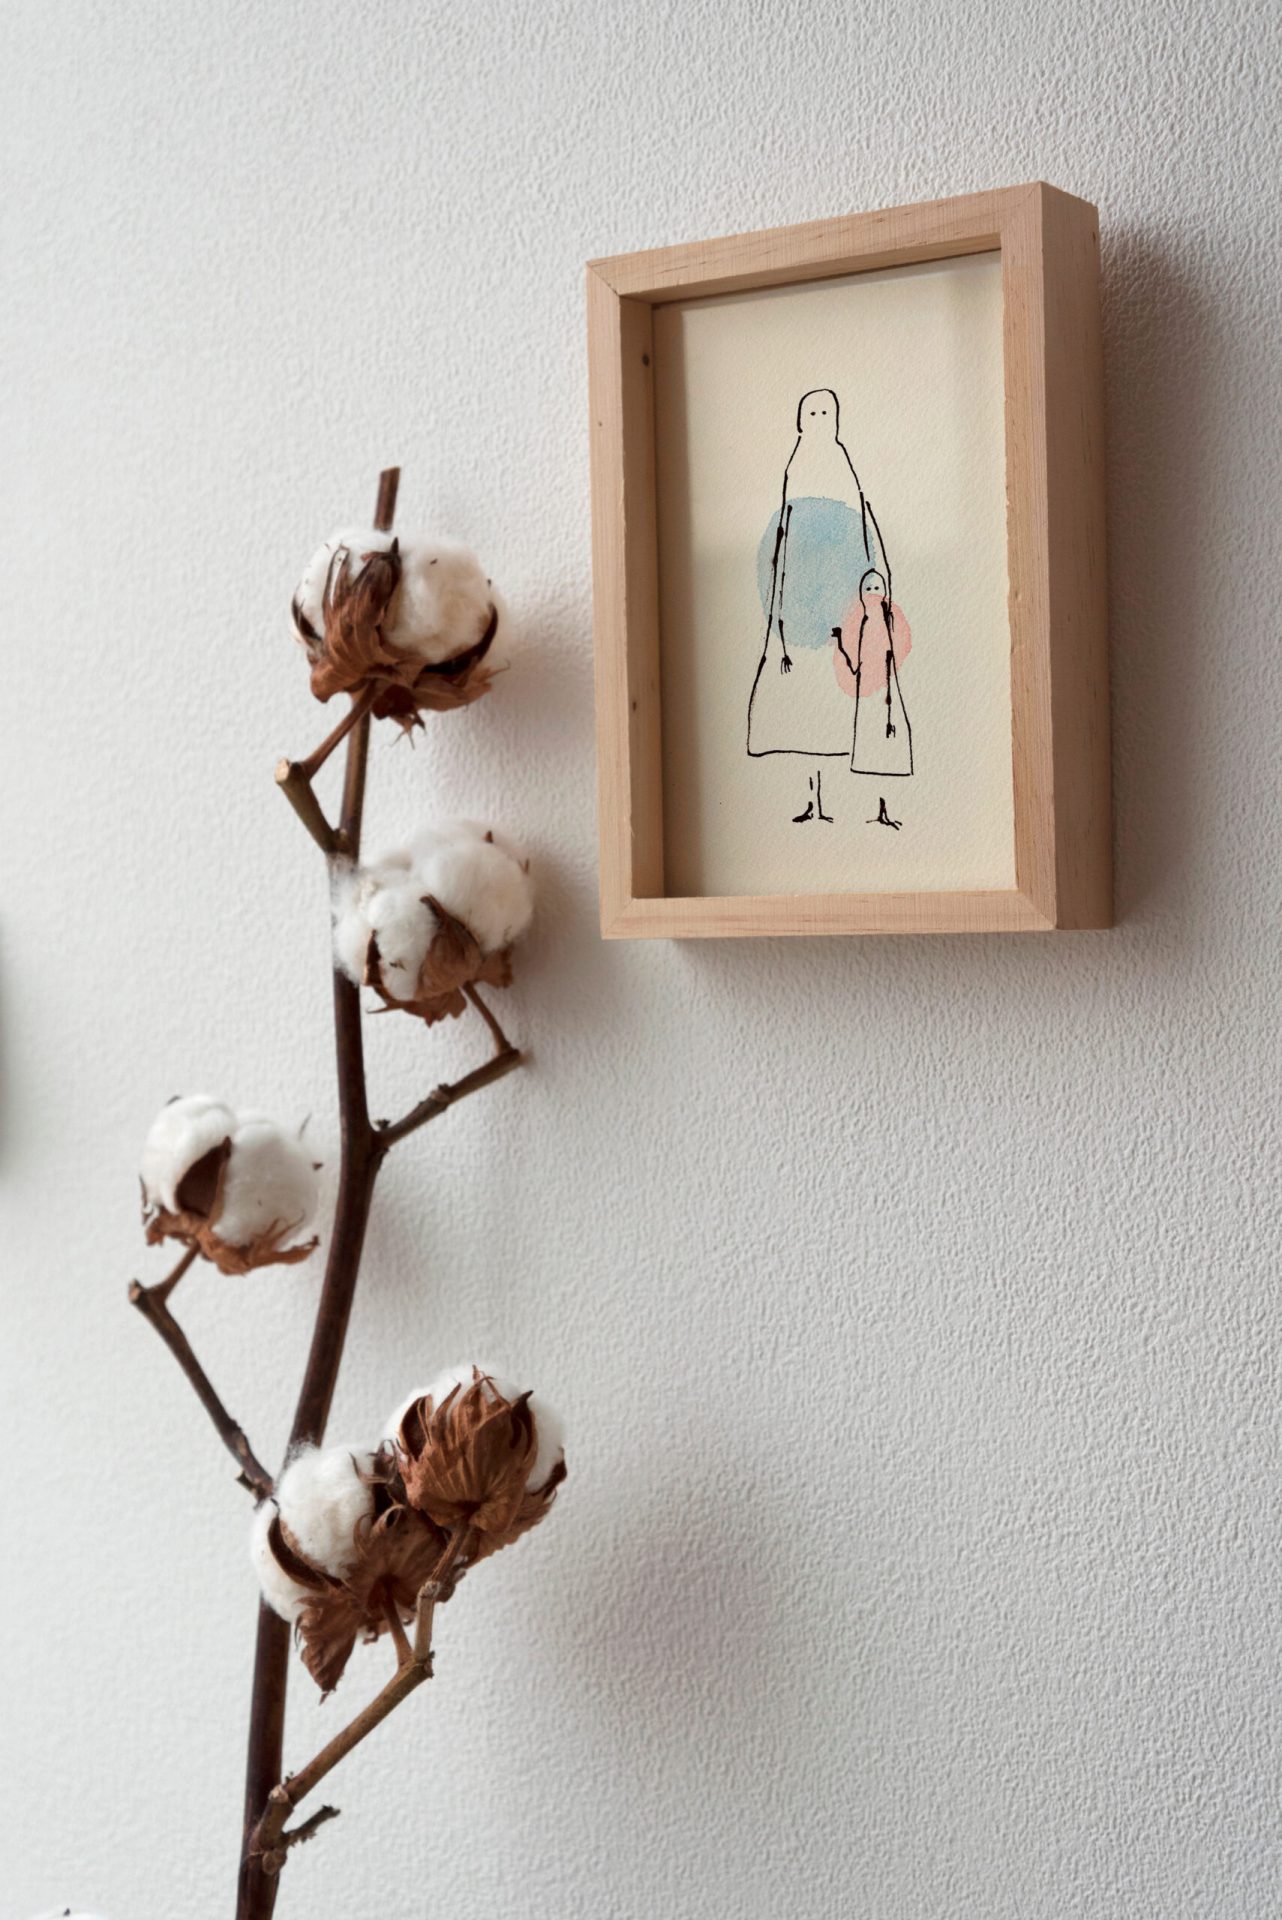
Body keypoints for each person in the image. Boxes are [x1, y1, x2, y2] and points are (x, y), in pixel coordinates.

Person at [747, 389, 890, 824]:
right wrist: (779, 619)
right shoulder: (795, 470)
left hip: (840, 610)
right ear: (801, 420)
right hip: (798, 618)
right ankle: (810, 799)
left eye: (826, 412)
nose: (820, 418)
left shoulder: (844, 469)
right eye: (812, 412)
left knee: (841, 709)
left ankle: (842, 801)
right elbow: (780, 549)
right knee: (800, 712)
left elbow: (864, 530)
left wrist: (871, 590)